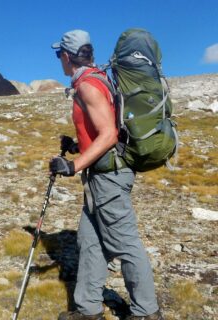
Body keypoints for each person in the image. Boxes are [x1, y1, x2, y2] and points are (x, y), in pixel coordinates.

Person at [49, 30, 163, 320]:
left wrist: (72, 166)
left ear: (66, 55)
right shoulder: (95, 78)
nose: (58, 59)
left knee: (125, 243)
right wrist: (76, 146)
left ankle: (147, 312)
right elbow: (101, 131)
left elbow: (109, 135)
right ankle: (88, 309)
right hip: (100, 177)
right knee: (90, 241)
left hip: (109, 178)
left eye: (58, 54)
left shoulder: (88, 85)